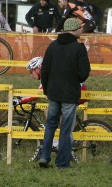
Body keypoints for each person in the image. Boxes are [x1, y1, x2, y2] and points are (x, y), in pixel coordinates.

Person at [37, 17, 90, 169]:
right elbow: (83, 74)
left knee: (50, 126)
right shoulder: (79, 48)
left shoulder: (52, 46)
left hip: (53, 93)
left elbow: (44, 70)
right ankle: (62, 163)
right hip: (69, 94)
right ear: (74, 29)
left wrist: (47, 89)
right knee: (66, 129)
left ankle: (44, 157)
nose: (82, 30)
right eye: (80, 28)